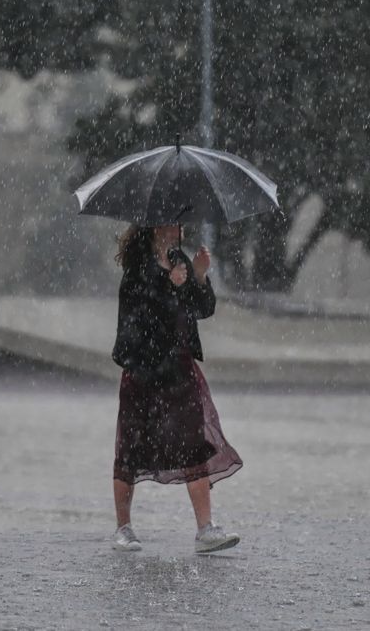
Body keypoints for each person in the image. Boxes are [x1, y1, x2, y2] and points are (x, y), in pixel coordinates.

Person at [110, 223, 243, 553]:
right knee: (131, 449)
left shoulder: (178, 258)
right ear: (155, 225)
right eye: (171, 220)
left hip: (179, 367)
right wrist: (167, 286)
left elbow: (201, 309)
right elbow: (138, 314)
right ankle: (124, 528)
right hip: (143, 369)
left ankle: (205, 528)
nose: (179, 227)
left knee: (193, 443)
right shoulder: (137, 267)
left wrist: (198, 276)